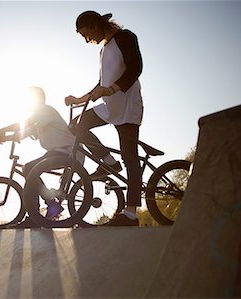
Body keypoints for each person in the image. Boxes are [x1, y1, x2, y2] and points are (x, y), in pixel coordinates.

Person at [65, 10, 143, 226]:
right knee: (76, 125)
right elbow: (101, 82)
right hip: (109, 107)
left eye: (85, 33)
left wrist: (111, 90)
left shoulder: (125, 37)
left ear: (95, 24)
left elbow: (136, 68)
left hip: (128, 106)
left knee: (130, 157)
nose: (85, 39)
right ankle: (109, 161)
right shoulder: (103, 50)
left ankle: (131, 214)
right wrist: (80, 99)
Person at [0, 86, 80, 227]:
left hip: (67, 152)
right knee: (30, 169)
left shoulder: (45, 110)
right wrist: (9, 137)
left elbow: (26, 125)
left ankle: (46, 206)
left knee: (29, 168)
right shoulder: (40, 116)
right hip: (59, 152)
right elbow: (28, 130)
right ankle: (44, 208)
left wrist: (4, 131)